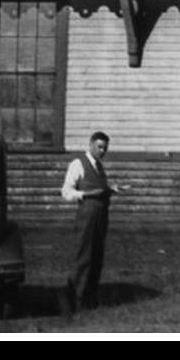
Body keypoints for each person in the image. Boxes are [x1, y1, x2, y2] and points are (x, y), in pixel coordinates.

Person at [60, 131, 126, 314]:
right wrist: (86, 195)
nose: (102, 150)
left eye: (105, 147)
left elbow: (98, 188)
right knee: (84, 257)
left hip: (101, 214)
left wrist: (111, 189)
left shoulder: (99, 166)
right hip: (87, 214)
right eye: (99, 147)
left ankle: (90, 301)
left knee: (97, 257)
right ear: (90, 145)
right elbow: (66, 192)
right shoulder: (78, 163)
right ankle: (74, 302)